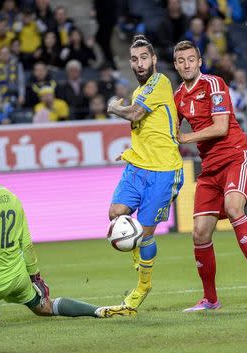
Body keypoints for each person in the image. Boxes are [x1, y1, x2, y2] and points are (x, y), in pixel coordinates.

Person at [0, 145, 135, 327]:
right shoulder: (13, 198)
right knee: (45, 308)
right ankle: (98, 310)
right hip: (18, 279)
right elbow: (25, 244)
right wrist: (36, 278)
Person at [172, 40, 247, 312]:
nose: (187, 64)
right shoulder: (178, 96)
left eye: (191, 59)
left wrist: (185, 138)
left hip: (235, 155)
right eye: (181, 61)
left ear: (199, 61)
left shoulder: (213, 84)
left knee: (233, 206)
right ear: (176, 65)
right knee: (200, 233)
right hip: (210, 167)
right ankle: (211, 299)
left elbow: (221, 126)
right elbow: (170, 134)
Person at [106, 34, 184, 309]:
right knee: (116, 214)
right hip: (138, 165)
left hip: (164, 171)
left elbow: (134, 115)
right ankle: (136, 251)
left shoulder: (160, 82)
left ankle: (143, 286)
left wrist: (114, 107)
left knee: (146, 234)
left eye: (144, 58)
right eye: (134, 59)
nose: (139, 63)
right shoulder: (138, 92)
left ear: (154, 60)